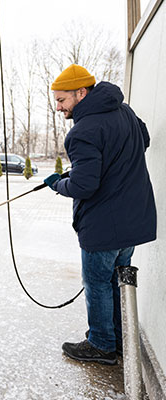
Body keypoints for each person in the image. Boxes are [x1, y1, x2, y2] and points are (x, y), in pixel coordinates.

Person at [44, 64, 157, 365]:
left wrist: (58, 183)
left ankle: (101, 344)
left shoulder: (83, 131)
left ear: (81, 93)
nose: (58, 107)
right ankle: (119, 340)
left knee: (97, 283)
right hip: (133, 219)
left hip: (104, 225)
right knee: (118, 282)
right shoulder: (125, 112)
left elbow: (83, 185)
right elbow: (142, 140)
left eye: (62, 100)